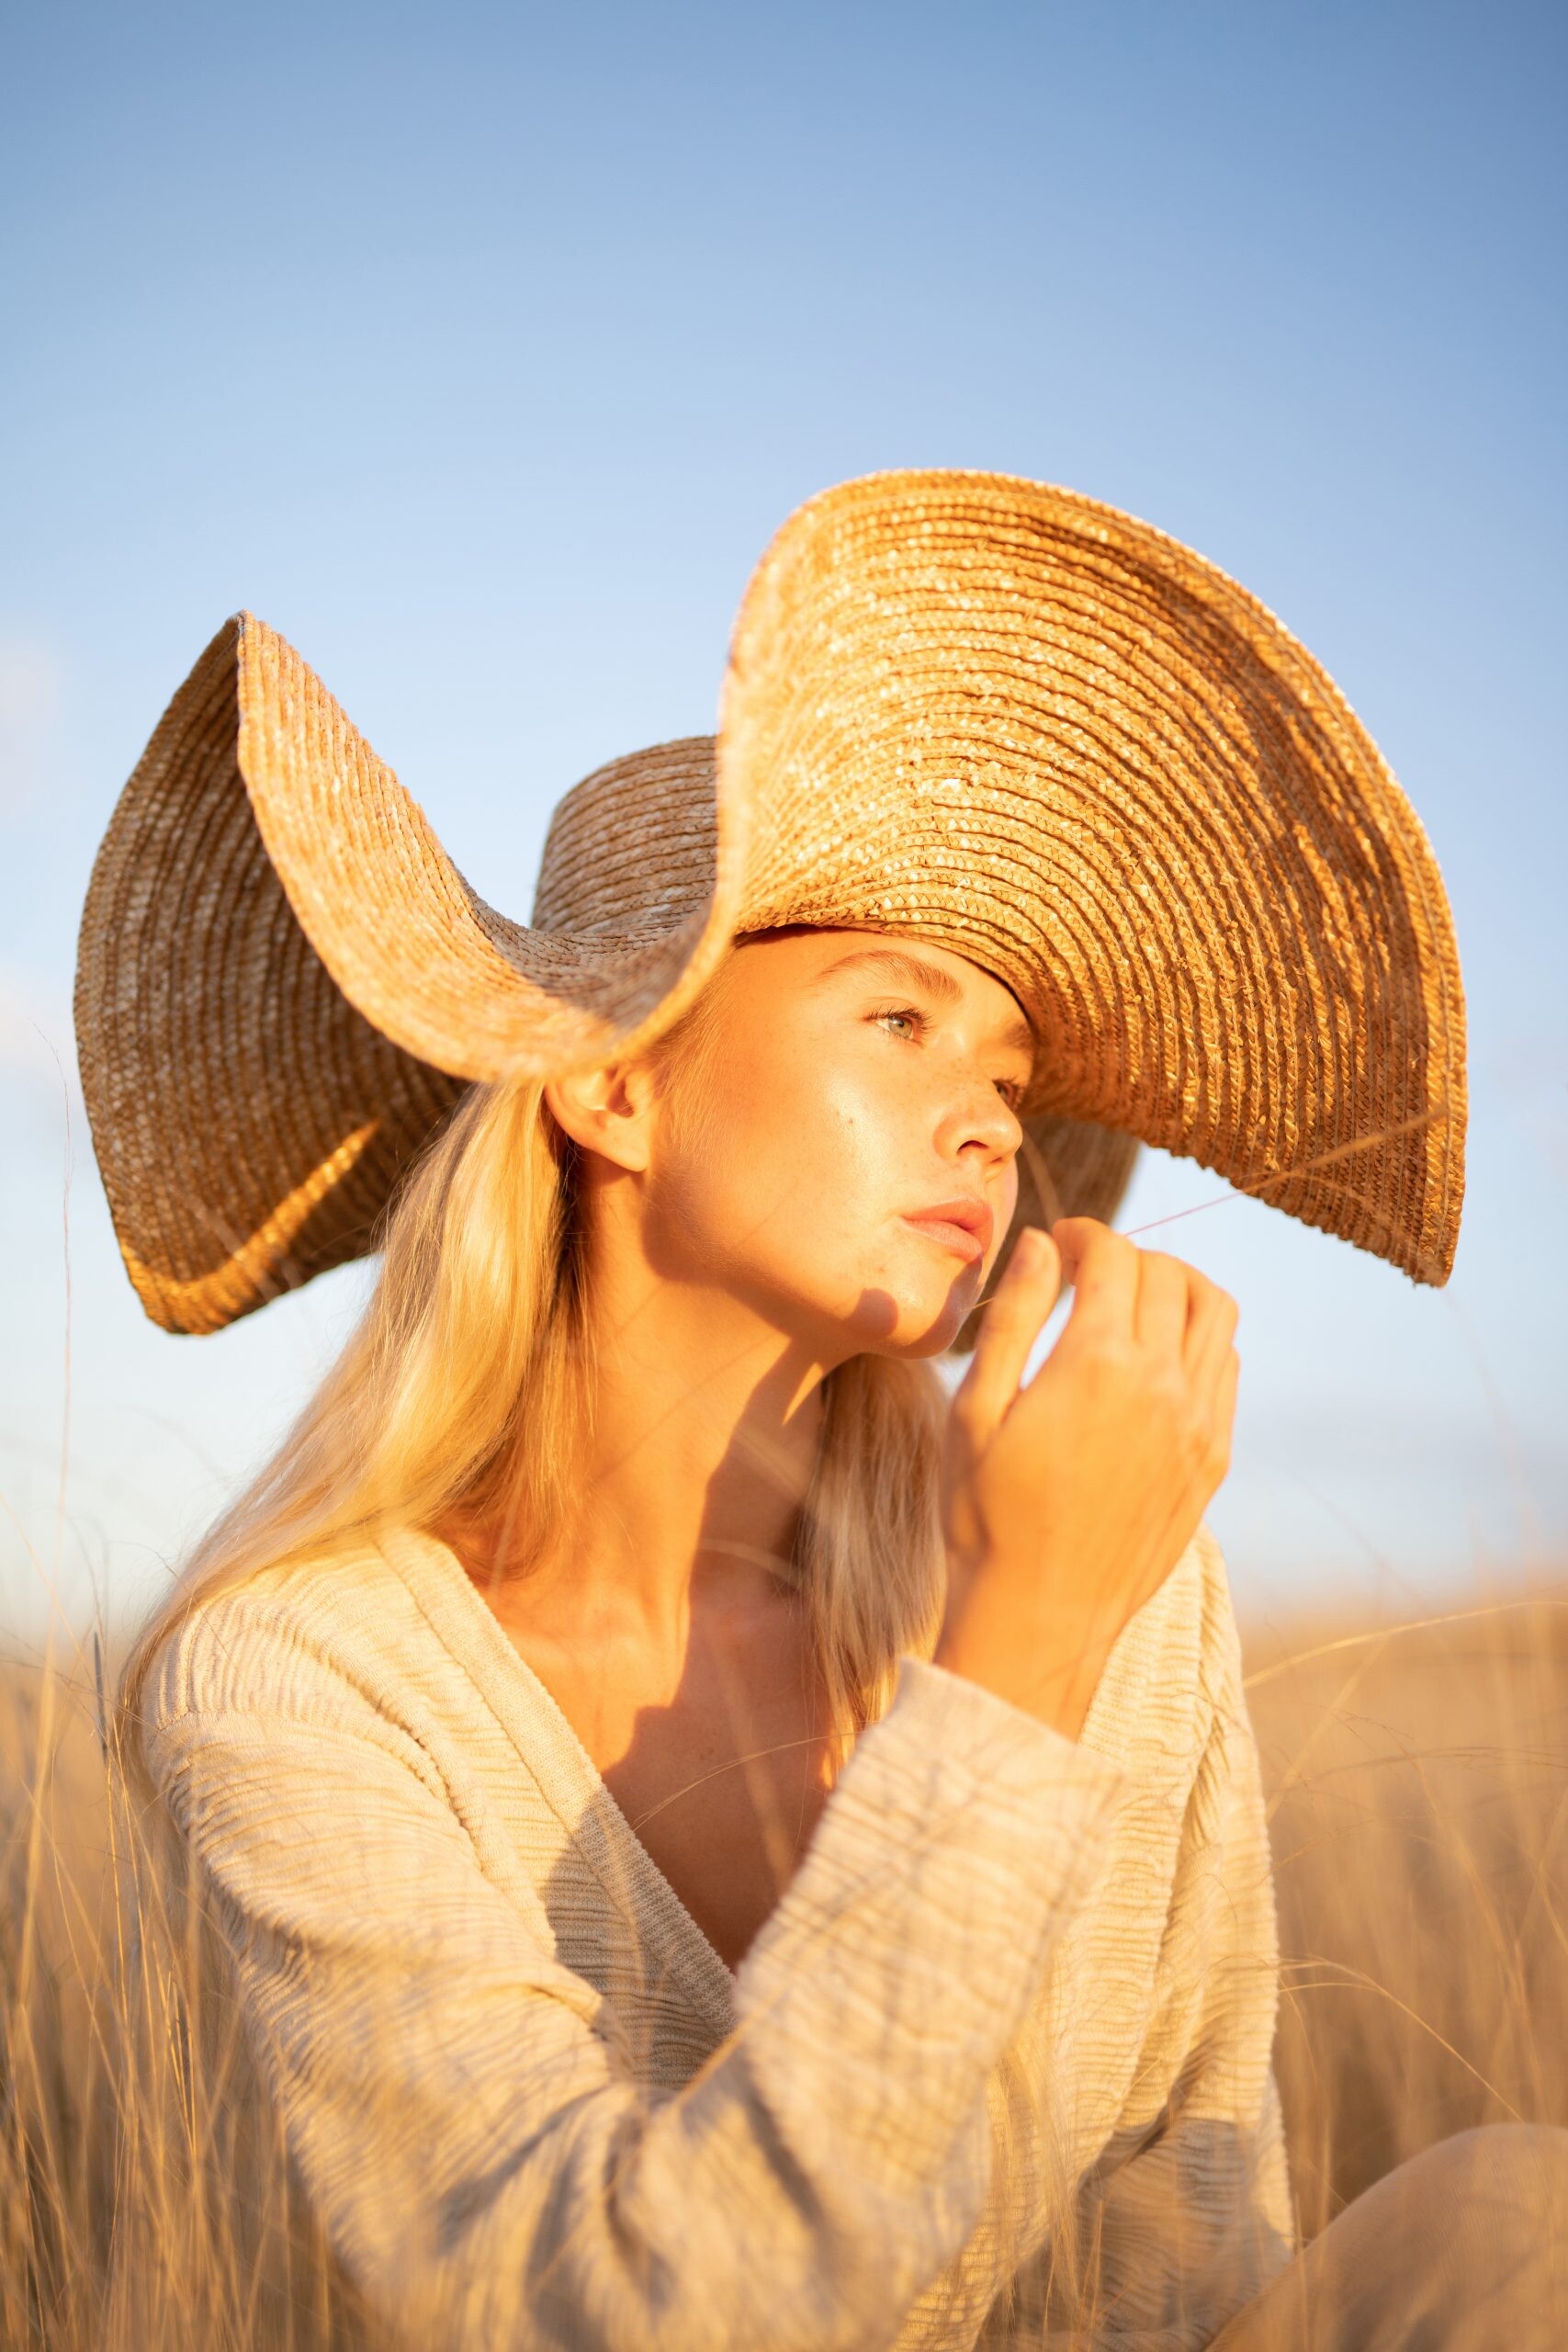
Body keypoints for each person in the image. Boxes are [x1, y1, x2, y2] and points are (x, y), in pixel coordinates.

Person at [77, 471, 1565, 2346]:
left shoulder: (1109, 1557)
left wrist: (1064, 1604)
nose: (991, 1119)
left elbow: (1183, 2231)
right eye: (900, 1020)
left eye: (1008, 1067)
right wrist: (1015, 1659)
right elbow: (608, 2308)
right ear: (614, 1092)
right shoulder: (307, 1673)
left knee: (1514, 2211)